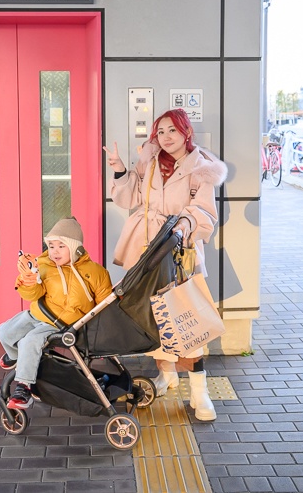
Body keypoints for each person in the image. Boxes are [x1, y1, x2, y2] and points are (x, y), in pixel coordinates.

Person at [103, 108, 228, 421]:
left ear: (186, 132)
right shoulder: (149, 160)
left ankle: (199, 392)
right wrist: (119, 169)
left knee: (187, 319)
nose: (166, 137)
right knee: (154, 319)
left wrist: (183, 226)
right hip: (145, 248)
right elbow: (130, 198)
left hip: (178, 251)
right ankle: (167, 375)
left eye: (172, 130)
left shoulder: (201, 168)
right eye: (160, 131)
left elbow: (205, 212)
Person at [0, 216, 113, 410]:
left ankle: (24, 387)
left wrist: (101, 332)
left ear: (75, 247)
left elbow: (105, 303)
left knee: (29, 342)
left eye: (61, 246)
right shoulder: (43, 266)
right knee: (4, 331)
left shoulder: (94, 272)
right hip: (38, 315)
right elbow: (34, 294)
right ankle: (16, 356)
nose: (55, 251)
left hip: (58, 324)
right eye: (51, 246)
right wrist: (28, 281)